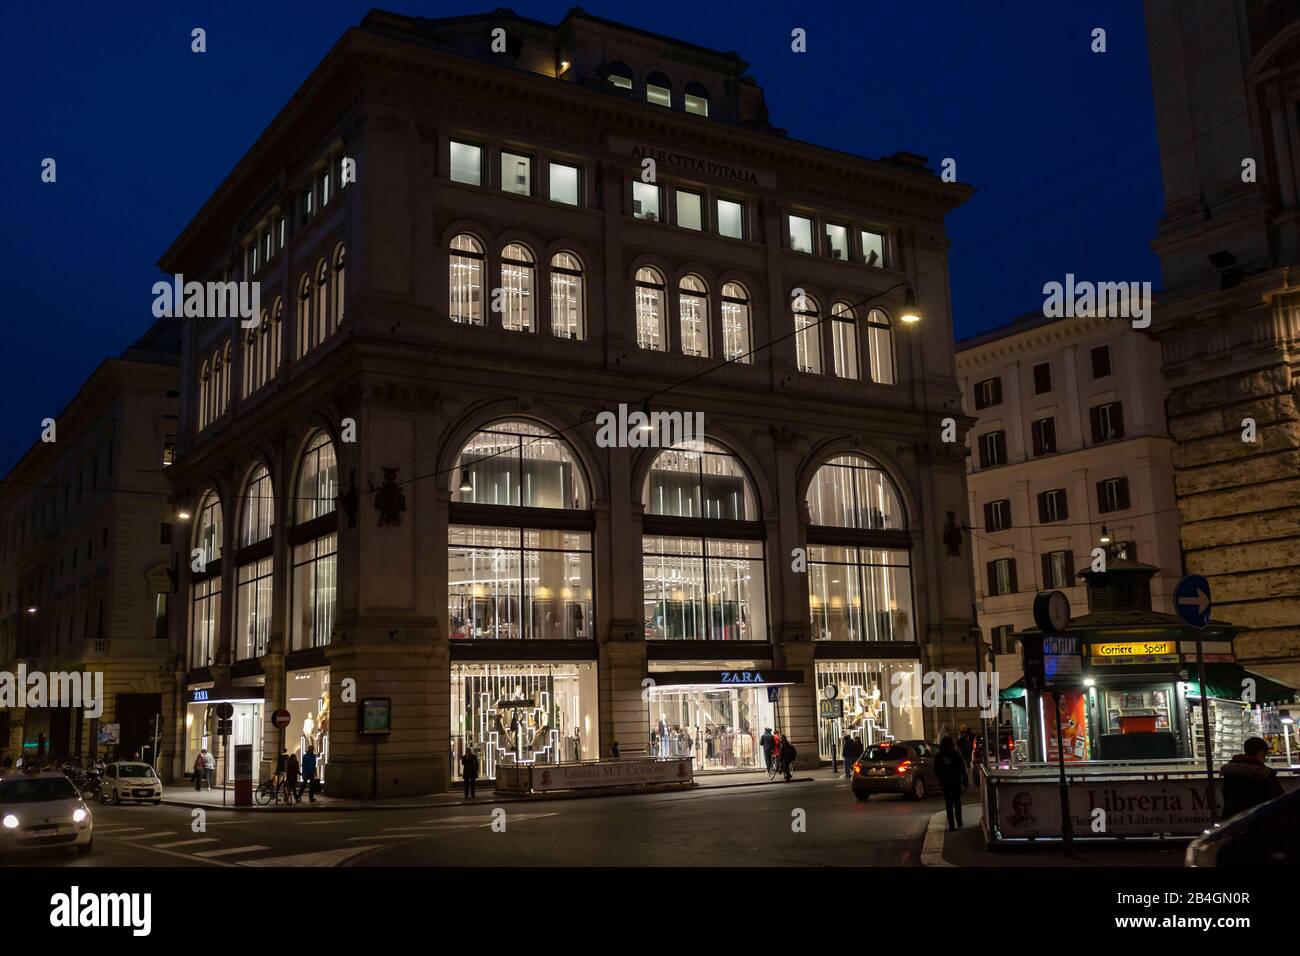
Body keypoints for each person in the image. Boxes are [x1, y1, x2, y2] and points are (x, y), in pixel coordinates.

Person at [1220, 736, 1284, 819]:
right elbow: (1277, 799)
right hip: (1257, 821)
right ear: (1261, 752)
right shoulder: (1264, 775)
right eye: (1265, 754)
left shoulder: (1230, 773)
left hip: (1232, 820)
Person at [934, 736, 969, 831]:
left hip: (945, 782)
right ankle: (959, 821)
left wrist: (940, 779)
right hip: (955, 781)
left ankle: (951, 825)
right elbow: (962, 769)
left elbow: (936, 770)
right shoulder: (955, 754)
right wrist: (965, 782)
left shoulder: (938, 756)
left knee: (948, 804)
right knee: (957, 802)